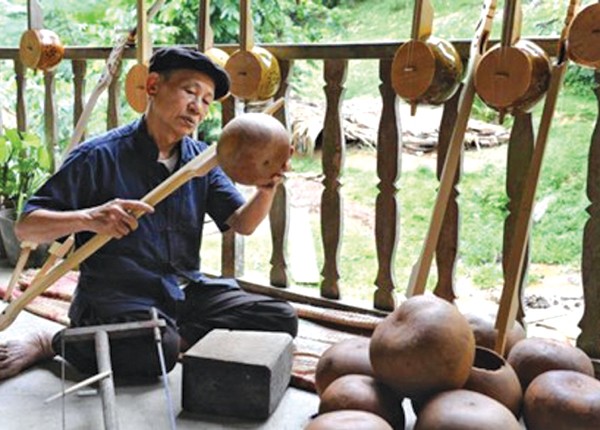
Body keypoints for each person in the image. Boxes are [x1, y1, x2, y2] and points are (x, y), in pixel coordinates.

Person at [0, 47, 298, 380]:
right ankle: (55, 341)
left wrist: (267, 188)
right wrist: (91, 218)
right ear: (153, 86)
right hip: (118, 299)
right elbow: (27, 228)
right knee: (156, 352)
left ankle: (162, 334)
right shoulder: (99, 156)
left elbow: (242, 224)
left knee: (280, 317)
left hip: (181, 292)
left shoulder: (201, 161)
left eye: (206, 101)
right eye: (190, 91)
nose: (197, 107)